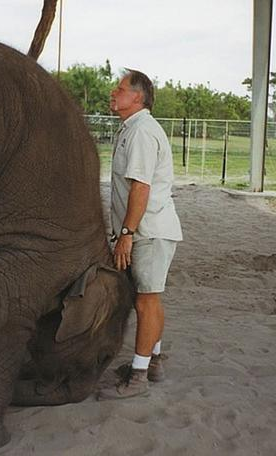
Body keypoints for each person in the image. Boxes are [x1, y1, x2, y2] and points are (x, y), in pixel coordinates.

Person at [98, 69, 182, 399]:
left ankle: (138, 377)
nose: (113, 93)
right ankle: (153, 361)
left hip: (148, 231)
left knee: (146, 301)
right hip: (150, 229)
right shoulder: (132, 128)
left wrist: (127, 233)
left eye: (119, 89)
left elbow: (141, 188)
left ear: (137, 97)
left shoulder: (142, 132)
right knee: (149, 298)